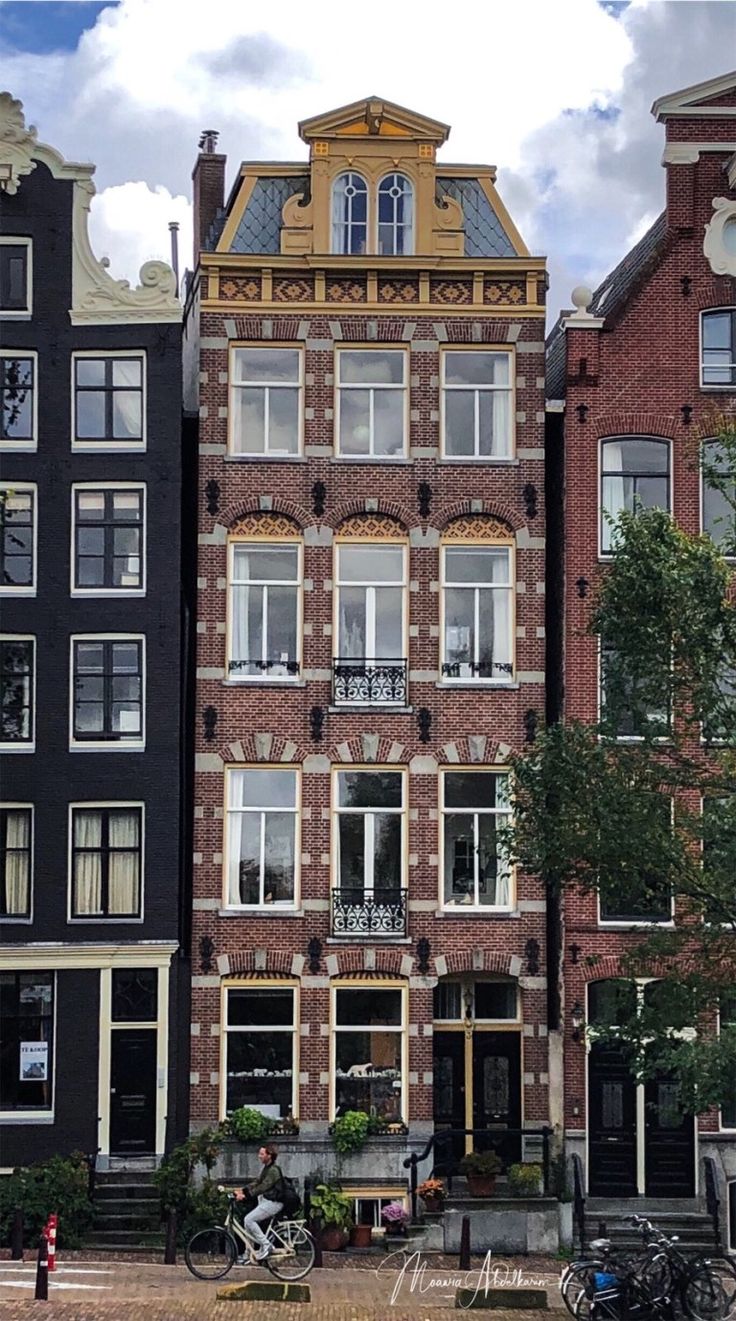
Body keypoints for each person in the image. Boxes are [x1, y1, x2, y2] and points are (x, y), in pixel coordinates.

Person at [234, 1142, 284, 1261]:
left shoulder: (274, 1171)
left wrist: (245, 1196)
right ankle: (248, 1253)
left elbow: (263, 1187)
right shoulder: (267, 1168)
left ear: (269, 1155)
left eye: (262, 1154)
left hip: (274, 1202)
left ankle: (267, 1245)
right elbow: (257, 1182)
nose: (259, 1156)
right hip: (267, 1201)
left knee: (249, 1219)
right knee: (247, 1223)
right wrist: (242, 1189)